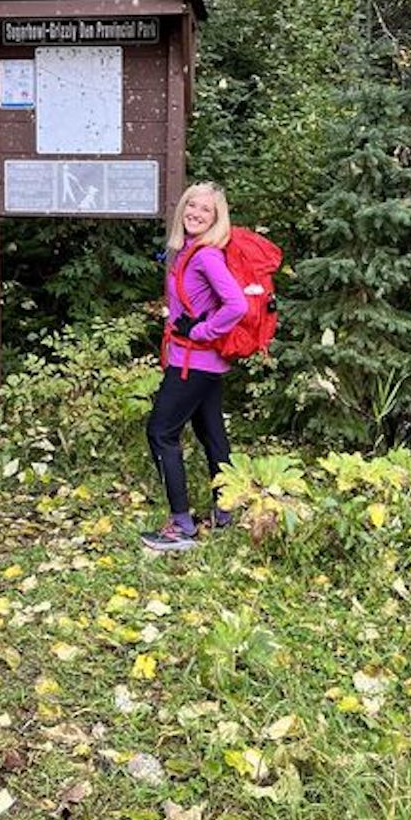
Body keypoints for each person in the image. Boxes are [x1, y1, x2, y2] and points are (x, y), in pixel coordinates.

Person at [142, 182, 248, 553]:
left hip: (195, 362)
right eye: (191, 206)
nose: (196, 214)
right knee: (212, 435)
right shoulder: (187, 250)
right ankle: (226, 509)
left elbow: (237, 305)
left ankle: (181, 525)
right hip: (201, 362)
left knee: (160, 432)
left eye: (205, 210)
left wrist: (203, 331)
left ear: (217, 217)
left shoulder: (205, 256)